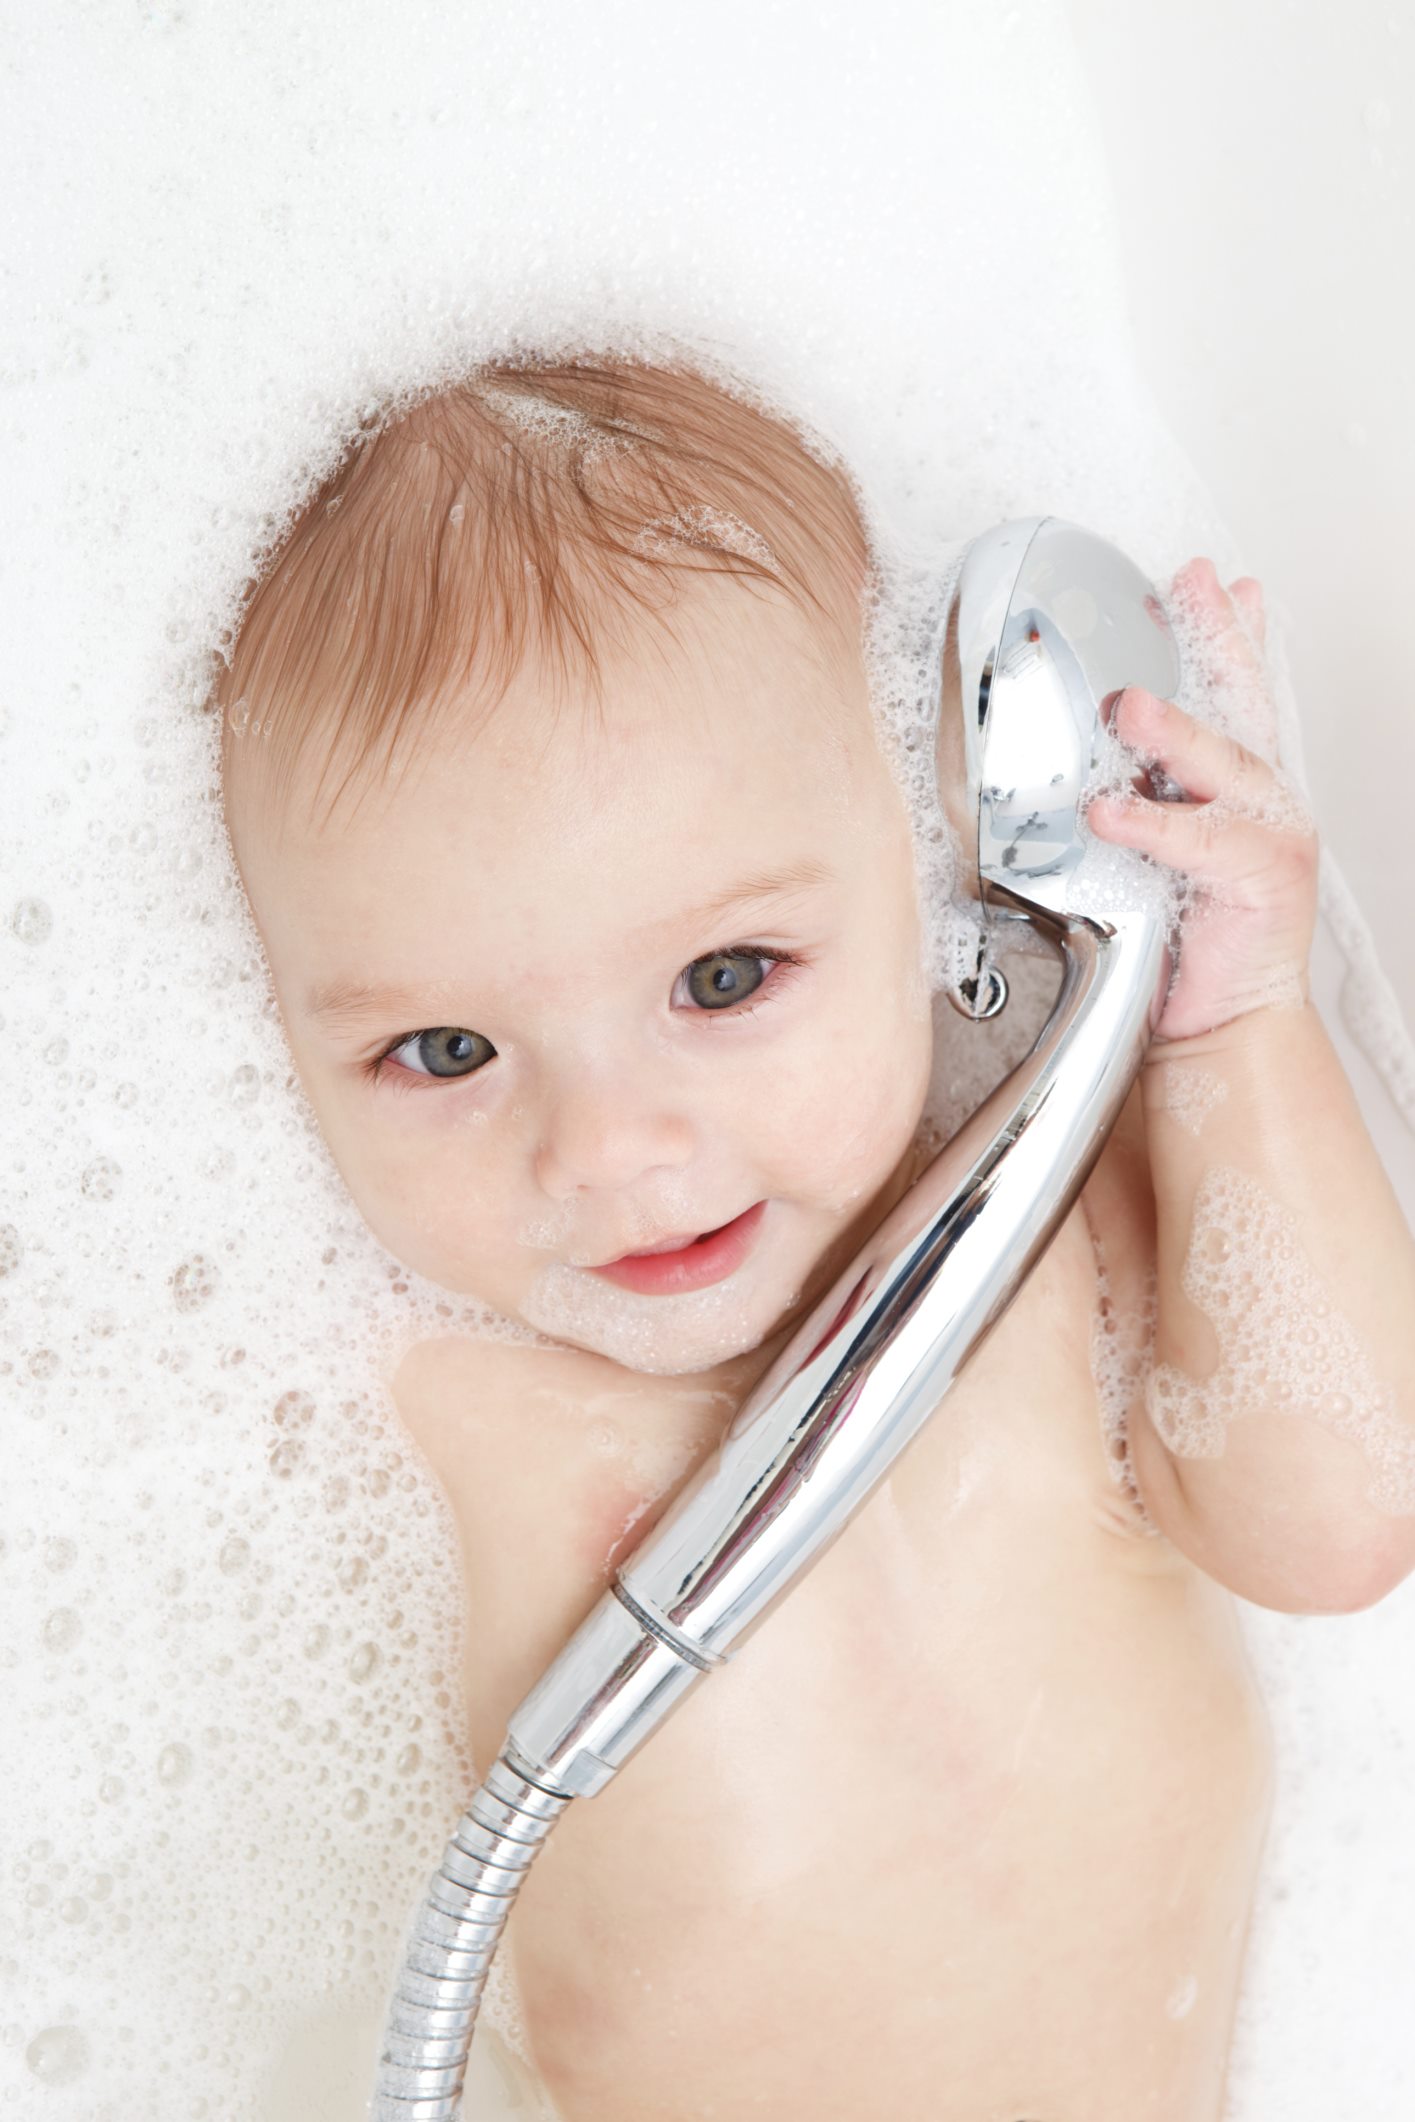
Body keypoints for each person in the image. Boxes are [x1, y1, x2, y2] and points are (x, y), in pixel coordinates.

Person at [216, 353, 1415, 2122]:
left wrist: (1233, 1029)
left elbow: (1337, 1519)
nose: (610, 1151)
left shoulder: (1031, 1224)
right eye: (447, 1052)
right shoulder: (424, 1425)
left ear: (929, 878)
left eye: (724, 977)